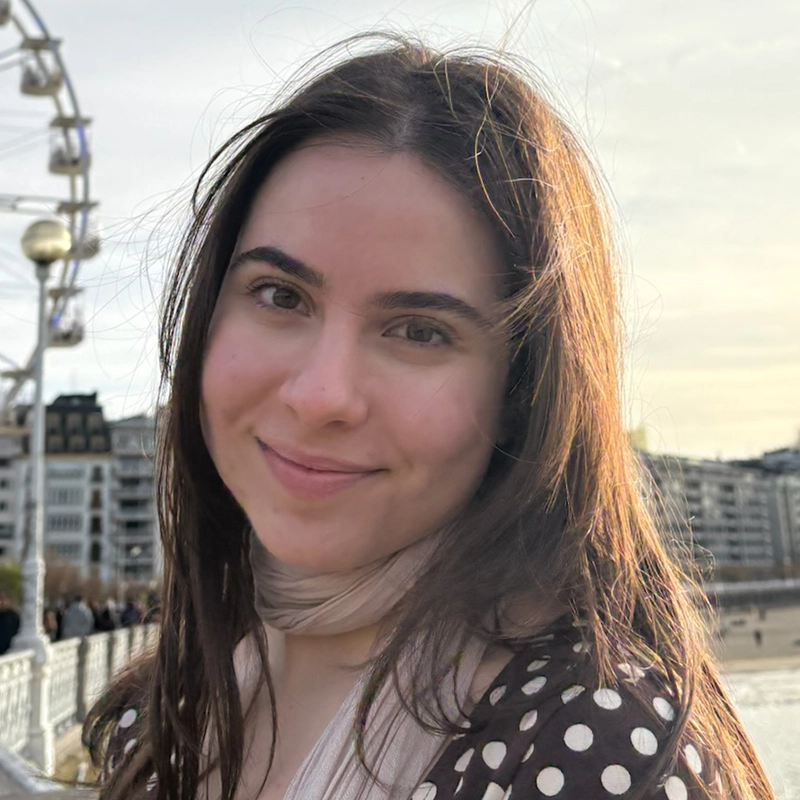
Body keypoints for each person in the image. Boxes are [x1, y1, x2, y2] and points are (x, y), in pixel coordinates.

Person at [85, 36, 774, 800]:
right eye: (280, 296)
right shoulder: (156, 720)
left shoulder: (589, 749)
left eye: (418, 331)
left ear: (521, 395)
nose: (321, 395)